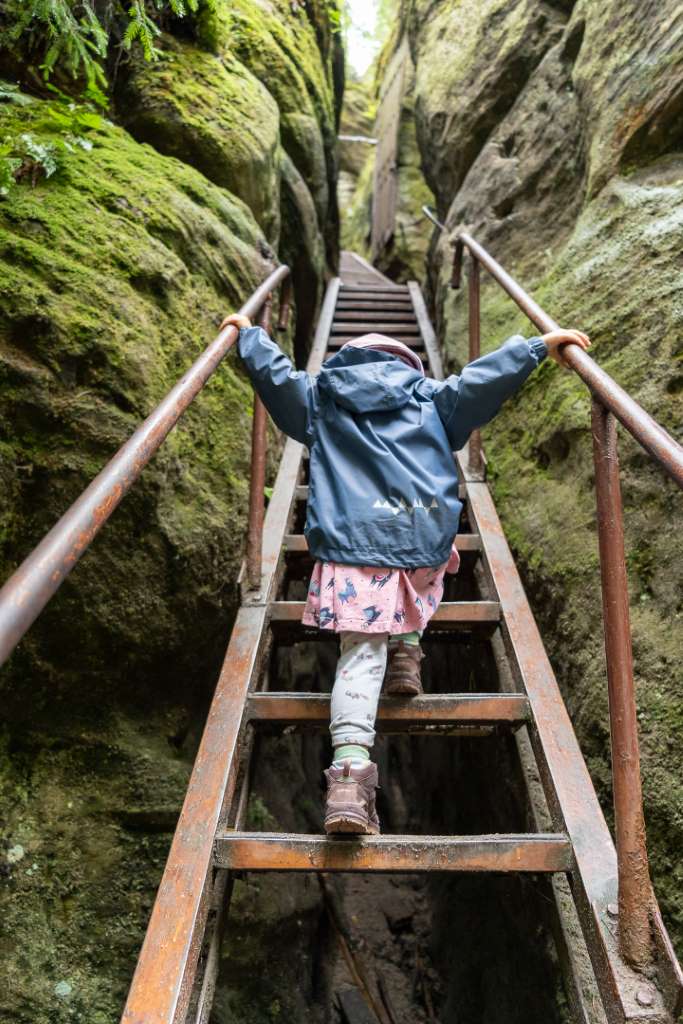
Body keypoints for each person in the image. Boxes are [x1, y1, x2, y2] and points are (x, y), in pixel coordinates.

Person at [222, 312, 590, 836]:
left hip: (351, 550)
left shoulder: (322, 397)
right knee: (432, 569)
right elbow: (482, 381)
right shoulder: (434, 399)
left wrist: (248, 336)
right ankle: (408, 653)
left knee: (358, 653)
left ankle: (348, 779)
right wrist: (535, 348)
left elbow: (278, 380)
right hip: (420, 541)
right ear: (408, 365)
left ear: (348, 362)